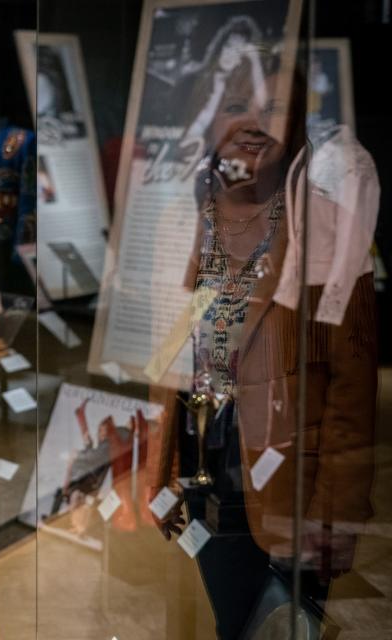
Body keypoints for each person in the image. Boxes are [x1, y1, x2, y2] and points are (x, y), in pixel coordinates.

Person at [148, 52, 378, 639]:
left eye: (272, 108)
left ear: (300, 119)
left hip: (293, 488)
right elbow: (169, 356)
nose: (253, 123)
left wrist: (336, 514)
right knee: (234, 624)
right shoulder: (185, 219)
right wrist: (163, 471)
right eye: (235, 106)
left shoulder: (324, 222)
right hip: (204, 470)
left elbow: (353, 383)